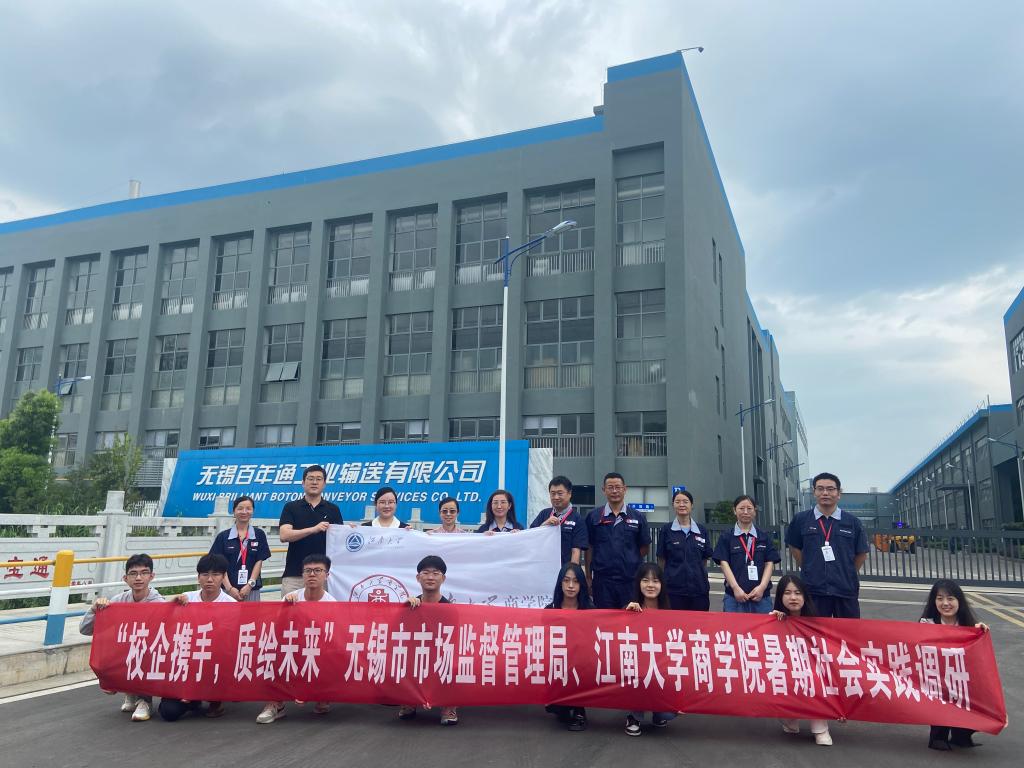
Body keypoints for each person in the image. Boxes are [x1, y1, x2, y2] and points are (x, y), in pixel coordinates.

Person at [80, 553, 163, 722]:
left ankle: (145, 701)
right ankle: (129, 690)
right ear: (125, 578)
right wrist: (95, 609)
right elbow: (85, 629)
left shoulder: (160, 604)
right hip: (126, 650)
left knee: (145, 654)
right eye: (133, 573)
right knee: (108, 653)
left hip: (149, 651)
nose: (138, 578)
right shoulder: (118, 602)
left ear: (151, 576)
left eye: (144, 573)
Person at [257, 554, 336, 724]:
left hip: (317, 650)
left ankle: (322, 695)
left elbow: (333, 637)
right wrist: (286, 609)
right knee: (271, 652)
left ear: (327, 575)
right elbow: (276, 628)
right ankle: (275, 704)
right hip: (292, 647)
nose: (312, 574)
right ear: (302, 574)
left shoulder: (331, 603)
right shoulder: (291, 598)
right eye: (308, 571)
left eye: (318, 570)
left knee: (334, 655)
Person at [161, 554, 235, 721]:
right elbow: (165, 624)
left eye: (215, 574)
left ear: (223, 577)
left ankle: (215, 699)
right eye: (205, 574)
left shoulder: (230, 604)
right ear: (198, 577)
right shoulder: (187, 598)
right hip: (186, 660)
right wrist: (172, 604)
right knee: (168, 712)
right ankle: (193, 699)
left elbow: (230, 640)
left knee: (222, 656)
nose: (209, 579)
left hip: (213, 658)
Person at [785, 472, 868, 618]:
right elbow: (794, 546)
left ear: (839, 493)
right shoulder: (801, 520)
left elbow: (861, 553)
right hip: (813, 589)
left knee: (848, 630)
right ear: (814, 492)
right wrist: (808, 567)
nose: (825, 493)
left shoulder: (852, 522)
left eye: (830, 489)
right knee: (814, 630)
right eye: (820, 489)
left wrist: (847, 572)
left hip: (845, 589)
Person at [919, 579, 990, 750]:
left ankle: (961, 736)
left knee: (974, 704)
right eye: (940, 598)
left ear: (959, 601)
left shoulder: (969, 626)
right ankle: (937, 738)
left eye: (950, 598)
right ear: (934, 601)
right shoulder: (926, 624)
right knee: (940, 702)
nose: (945, 603)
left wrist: (981, 631)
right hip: (937, 678)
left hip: (961, 677)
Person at [771, 574, 832, 746]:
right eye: (787, 593)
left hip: (811, 669)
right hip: (786, 670)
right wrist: (771, 620)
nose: (793, 597)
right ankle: (790, 720)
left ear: (805, 596)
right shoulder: (775, 619)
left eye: (797, 593)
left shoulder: (816, 622)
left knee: (815, 682)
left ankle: (820, 729)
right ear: (780, 596)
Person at [399, 555, 457, 726]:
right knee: (399, 658)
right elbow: (399, 636)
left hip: (440, 656)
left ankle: (449, 707)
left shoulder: (450, 609)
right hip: (417, 655)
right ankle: (408, 701)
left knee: (455, 664)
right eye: (425, 573)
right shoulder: (411, 605)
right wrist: (404, 609)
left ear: (443, 578)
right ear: (418, 577)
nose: (430, 577)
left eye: (435, 573)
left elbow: (454, 641)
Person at [623, 563, 676, 736]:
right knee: (640, 674)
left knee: (669, 713)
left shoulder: (669, 613)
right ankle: (634, 716)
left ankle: (657, 713)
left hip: (660, 668)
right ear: (639, 583)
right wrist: (627, 615)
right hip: (637, 667)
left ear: (662, 584)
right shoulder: (632, 608)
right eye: (645, 580)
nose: (650, 585)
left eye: (655, 581)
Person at [585, 473, 651, 609]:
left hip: (630, 581)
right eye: (610, 487)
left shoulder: (638, 517)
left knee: (630, 617)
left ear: (625, 489)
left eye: (618, 487)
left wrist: (629, 559)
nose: (614, 491)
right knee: (603, 618)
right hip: (602, 581)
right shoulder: (593, 516)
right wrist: (588, 577)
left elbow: (644, 547)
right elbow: (589, 548)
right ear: (603, 490)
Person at [279, 464, 343, 595]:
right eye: (310, 478)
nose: (314, 482)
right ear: (303, 483)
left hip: (323, 575)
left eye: (319, 479)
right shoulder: (291, 507)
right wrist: (313, 529)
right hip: (295, 574)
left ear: (324, 484)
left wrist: (351, 530)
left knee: (322, 609)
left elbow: (341, 539)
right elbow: (284, 535)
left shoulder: (333, 509)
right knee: (290, 608)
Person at [543, 563, 592, 731]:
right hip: (558, 663)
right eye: (566, 580)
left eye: (576, 581)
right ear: (560, 583)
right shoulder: (550, 610)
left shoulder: (590, 610)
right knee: (559, 711)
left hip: (581, 664)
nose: (571, 586)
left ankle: (579, 709)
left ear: (581, 585)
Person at [712, 495, 780, 613]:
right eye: (741, 508)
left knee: (763, 625)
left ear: (755, 511)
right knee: (734, 625)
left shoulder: (763, 536)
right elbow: (724, 563)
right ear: (734, 510)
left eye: (749, 508)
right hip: (734, 597)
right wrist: (735, 588)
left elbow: (769, 563)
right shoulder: (726, 537)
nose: (745, 512)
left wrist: (762, 587)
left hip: (761, 598)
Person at [656, 489, 712, 611]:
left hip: (699, 590)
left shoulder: (702, 530)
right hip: (673, 591)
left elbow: (704, 559)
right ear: (673, 505)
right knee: (673, 622)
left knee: (698, 622)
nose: (681, 505)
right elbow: (661, 559)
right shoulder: (666, 530)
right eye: (678, 502)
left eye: (685, 502)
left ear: (692, 505)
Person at [208, 495, 270, 601]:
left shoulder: (259, 535)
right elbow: (218, 565)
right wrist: (229, 588)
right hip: (227, 590)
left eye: (248, 508)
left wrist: (249, 585)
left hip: (251, 589)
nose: (244, 512)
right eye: (240, 508)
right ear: (234, 511)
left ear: (253, 511)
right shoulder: (223, 536)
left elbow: (259, 561)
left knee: (251, 612)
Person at [529, 476, 588, 565]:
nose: (556, 497)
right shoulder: (544, 514)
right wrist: (544, 525)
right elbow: (531, 538)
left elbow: (576, 552)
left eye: (560, 493)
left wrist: (570, 572)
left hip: (564, 569)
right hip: (542, 567)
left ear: (569, 494)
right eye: (553, 494)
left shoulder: (577, 519)